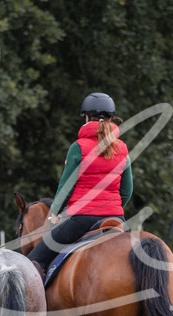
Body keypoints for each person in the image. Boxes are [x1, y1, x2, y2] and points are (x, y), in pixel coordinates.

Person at [27, 92, 133, 274]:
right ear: (111, 119)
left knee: (32, 262)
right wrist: (112, 206)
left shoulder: (78, 147)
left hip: (82, 218)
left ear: (86, 117)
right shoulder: (122, 148)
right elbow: (127, 190)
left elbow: (66, 186)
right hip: (116, 219)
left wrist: (55, 213)